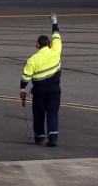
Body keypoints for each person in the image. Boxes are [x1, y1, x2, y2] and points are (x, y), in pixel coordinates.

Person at [19, 12, 62, 146]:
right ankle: (53, 138)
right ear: (49, 44)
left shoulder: (33, 60)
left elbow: (25, 77)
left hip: (39, 91)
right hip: (54, 89)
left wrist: (22, 88)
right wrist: (54, 22)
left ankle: (39, 136)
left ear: (37, 46)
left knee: (38, 113)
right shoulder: (55, 50)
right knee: (53, 113)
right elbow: (57, 36)